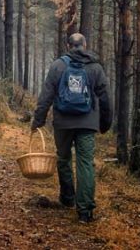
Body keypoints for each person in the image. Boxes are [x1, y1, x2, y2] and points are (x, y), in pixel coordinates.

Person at [30, 33, 112, 223]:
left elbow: (46, 95)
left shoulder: (58, 65)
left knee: (64, 158)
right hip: (87, 123)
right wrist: (105, 123)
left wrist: (38, 120)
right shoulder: (95, 67)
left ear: (68, 46)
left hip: (63, 123)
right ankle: (85, 211)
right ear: (85, 45)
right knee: (85, 164)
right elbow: (106, 97)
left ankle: (67, 198)